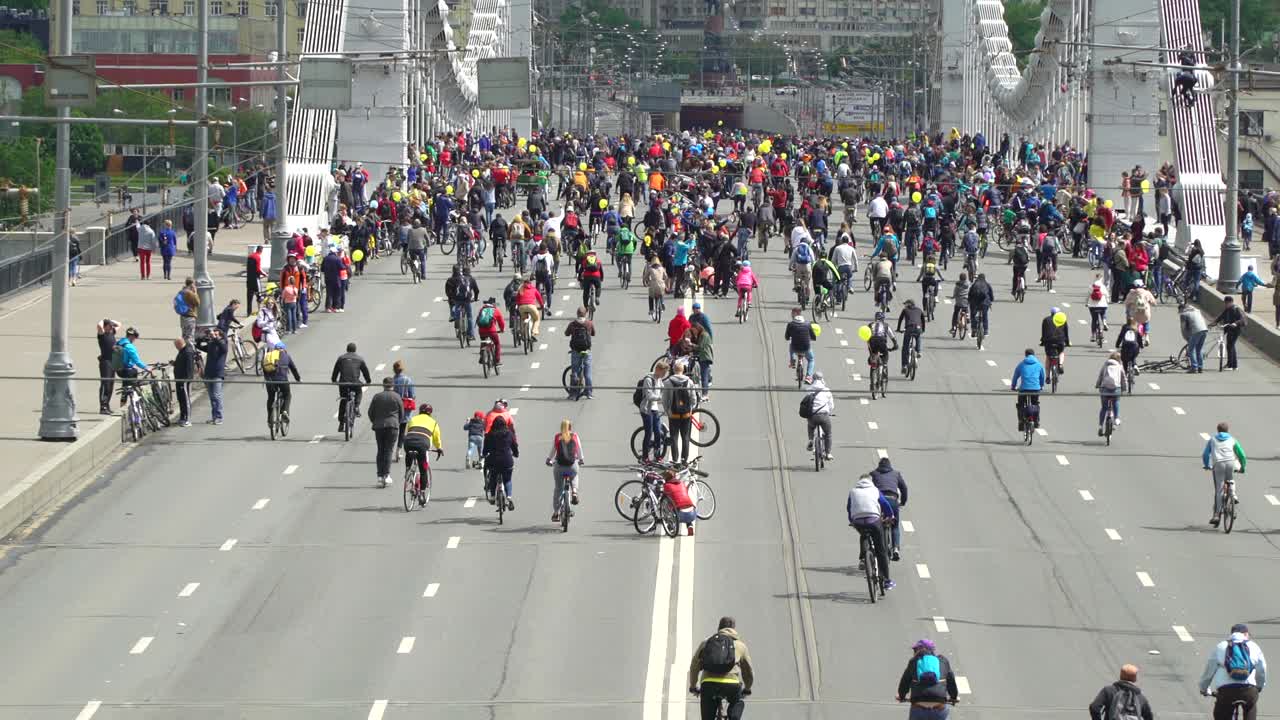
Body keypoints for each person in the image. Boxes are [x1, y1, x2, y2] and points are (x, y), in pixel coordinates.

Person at [688, 617, 754, 720]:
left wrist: (693, 686)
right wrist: (747, 688)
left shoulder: (707, 642)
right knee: (737, 701)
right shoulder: (741, 646)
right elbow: (748, 671)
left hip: (708, 684)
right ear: (734, 628)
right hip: (731, 685)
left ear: (719, 628)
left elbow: (694, 665)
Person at [1199, 623, 1267, 720]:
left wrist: (1204, 688)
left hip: (1226, 691)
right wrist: (1259, 686)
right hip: (1248, 690)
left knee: (1221, 714)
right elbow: (1262, 670)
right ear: (1246, 634)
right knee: (1250, 706)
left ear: (1232, 634)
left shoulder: (1221, 646)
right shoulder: (1254, 646)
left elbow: (1209, 671)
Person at [848, 475, 896, 592]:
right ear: (871, 481)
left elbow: (849, 508)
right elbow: (885, 504)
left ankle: (863, 558)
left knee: (863, 533)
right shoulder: (875, 490)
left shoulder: (853, 491)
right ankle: (886, 580)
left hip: (858, 520)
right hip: (874, 520)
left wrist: (852, 520)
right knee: (881, 551)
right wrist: (890, 516)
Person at [897, 638, 960, 719]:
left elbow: (904, 683)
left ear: (919, 650)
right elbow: (951, 682)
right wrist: (953, 697)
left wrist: (901, 696)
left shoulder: (913, 661)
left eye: (915, 650)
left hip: (918, 707)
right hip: (939, 706)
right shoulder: (943, 661)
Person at [1203, 422, 1247, 527]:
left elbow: (1205, 454)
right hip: (1230, 463)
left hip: (1218, 464)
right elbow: (1242, 455)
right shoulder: (1232, 440)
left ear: (1217, 430)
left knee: (1219, 490)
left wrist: (1206, 465)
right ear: (1228, 430)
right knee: (1230, 479)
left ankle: (1217, 514)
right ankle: (1233, 495)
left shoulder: (1212, 440)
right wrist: (1243, 467)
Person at [869, 456, 908, 560]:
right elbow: (904, 488)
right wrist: (903, 502)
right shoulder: (896, 474)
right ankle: (895, 548)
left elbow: (869, 489)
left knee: (876, 524)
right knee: (894, 525)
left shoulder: (873, 474)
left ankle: (875, 546)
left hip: (879, 500)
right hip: (893, 500)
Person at [545, 418, 584, 522]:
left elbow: (553, 451)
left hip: (559, 466)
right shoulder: (575, 436)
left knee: (558, 489)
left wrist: (549, 460)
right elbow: (579, 450)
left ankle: (556, 513)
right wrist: (581, 460)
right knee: (574, 476)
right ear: (570, 427)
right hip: (572, 465)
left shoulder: (558, 437)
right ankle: (574, 492)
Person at [663, 359, 699, 465]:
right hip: (686, 414)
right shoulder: (689, 381)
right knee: (686, 437)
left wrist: (668, 411)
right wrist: (690, 409)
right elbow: (693, 399)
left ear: (673, 370)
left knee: (674, 437)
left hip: (673, 414)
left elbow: (665, 400)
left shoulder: (667, 382)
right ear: (683, 370)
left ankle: (675, 459)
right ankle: (684, 460)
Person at [1089, 664, 1155, 720]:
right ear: (1135, 679)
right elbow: (1149, 717)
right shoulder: (1140, 697)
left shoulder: (1108, 690)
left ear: (1121, 675)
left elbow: (1094, 707)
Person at [331, 342, 371, 433]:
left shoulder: (341, 358)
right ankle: (356, 406)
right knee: (359, 392)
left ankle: (341, 423)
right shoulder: (360, 359)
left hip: (343, 383)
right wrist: (368, 381)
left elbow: (336, 370)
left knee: (343, 399)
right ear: (355, 350)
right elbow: (365, 371)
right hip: (355, 382)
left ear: (347, 349)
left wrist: (334, 380)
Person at [402, 405, 444, 489]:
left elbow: (408, 431)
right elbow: (436, 438)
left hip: (408, 441)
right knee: (423, 470)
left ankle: (408, 470)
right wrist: (439, 448)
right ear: (430, 413)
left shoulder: (413, 419)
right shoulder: (433, 422)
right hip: (423, 444)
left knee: (409, 452)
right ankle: (422, 493)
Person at [262, 339, 300, 428]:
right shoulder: (286, 356)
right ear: (283, 349)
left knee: (270, 398)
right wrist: (298, 379)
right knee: (287, 395)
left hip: (270, 381)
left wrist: (267, 378)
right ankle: (284, 411)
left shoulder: (268, 356)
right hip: (282, 380)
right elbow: (293, 368)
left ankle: (269, 420)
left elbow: (263, 367)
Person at [195, 327, 227, 424]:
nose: (214, 336)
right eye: (214, 334)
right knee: (212, 397)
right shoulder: (211, 344)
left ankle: (219, 417)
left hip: (218, 374)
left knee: (217, 395)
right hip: (208, 373)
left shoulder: (223, 344)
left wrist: (215, 337)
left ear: (221, 336)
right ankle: (214, 417)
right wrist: (201, 338)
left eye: (217, 334)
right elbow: (200, 346)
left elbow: (223, 348)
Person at [1010, 348, 1045, 431]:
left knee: (1020, 404)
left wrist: (1013, 386)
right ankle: (1036, 421)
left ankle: (1021, 422)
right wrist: (1041, 385)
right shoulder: (1039, 364)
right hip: (1035, 389)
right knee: (1035, 404)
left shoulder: (1021, 364)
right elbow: (1042, 377)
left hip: (1024, 389)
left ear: (1025, 355)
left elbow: (1015, 376)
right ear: (1034, 355)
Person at [565, 308, 596, 399]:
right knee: (588, 372)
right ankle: (589, 392)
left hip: (576, 350)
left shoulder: (573, 324)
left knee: (575, 371)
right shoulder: (589, 323)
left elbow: (566, 333)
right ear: (585, 314)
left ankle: (573, 394)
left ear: (577, 313)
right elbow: (593, 333)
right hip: (586, 351)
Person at [804, 371, 835, 460]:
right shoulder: (827, 390)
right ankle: (828, 453)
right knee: (828, 434)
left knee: (810, 426)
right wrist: (829, 411)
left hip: (812, 416)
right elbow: (831, 406)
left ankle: (810, 440)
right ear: (822, 379)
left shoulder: (809, 389)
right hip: (824, 416)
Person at [1211, 296, 1246, 370]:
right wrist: (1213, 323)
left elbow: (1243, 319)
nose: (1226, 305)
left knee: (1230, 346)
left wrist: (1235, 323)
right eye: (1225, 303)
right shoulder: (1227, 309)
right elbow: (1221, 316)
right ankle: (1233, 365)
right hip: (1229, 329)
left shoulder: (1236, 309)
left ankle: (1230, 365)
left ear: (1230, 302)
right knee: (1230, 346)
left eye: (1227, 303)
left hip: (1235, 330)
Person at [1095, 351, 1125, 435]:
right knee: (1116, 401)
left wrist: (1097, 385)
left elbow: (1100, 376)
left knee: (1104, 408)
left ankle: (1100, 426)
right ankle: (1116, 418)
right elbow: (1123, 378)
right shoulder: (1119, 366)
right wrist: (1124, 388)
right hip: (1116, 389)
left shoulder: (1105, 365)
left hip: (1104, 389)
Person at [391, 360, 416, 461]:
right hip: (405, 408)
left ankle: (390, 449)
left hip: (393, 408)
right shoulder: (407, 380)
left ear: (394, 369)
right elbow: (412, 395)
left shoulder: (391, 380)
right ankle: (398, 451)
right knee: (402, 431)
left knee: (393, 430)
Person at [785, 307, 818, 380]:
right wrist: (812, 338)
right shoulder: (808, 324)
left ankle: (792, 361)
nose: (791, 314)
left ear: (795, 314)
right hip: (806, 348)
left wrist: (790, 336)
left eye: (792, 313)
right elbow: (813, 336)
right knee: (811, 359)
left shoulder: (790, 324)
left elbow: (787, 337)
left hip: (795, 347)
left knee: (791, 345)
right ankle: (808, 376)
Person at [663, 469, 698, 536]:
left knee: (666, 506)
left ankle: (671, 526)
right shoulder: (681, 483)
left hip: (679, 515)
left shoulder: (667, 485)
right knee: (685, 503)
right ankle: (689, 525)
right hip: (692, 513)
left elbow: (664, 499)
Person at [172, 337, 198, 427]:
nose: (176, 347)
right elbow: (181, 363)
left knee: (185, 399)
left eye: (176, 345)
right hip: (179, 379)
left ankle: (187, 419)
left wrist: (187, 379)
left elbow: (189, 367)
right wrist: (174, 363)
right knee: (181, 399)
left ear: (179, 344)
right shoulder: (182, 351)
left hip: (184, 380)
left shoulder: (188, 352)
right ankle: (182, 417)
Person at [96, 318, 121, 414]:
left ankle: (107, 405)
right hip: (105, 361)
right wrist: (103, 320)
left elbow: (119, 324)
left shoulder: (112, 333)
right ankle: (103, 407)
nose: (111, 327)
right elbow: (98, 325)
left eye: (111, 326)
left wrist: (111, 321)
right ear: (105, 326)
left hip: (113, 361)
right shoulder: (102, 335)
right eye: (109, 326)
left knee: (111, 384)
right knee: (105, 384)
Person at [896, 299, 925, 374]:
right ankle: (918, 351)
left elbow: (900, 319)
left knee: (905, 348)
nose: (905, 305)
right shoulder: (919, 310)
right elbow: (923, 320)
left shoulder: (905, 310)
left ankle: (904, 366)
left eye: (906, 304)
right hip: (918, 328)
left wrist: (898, 329)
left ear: (909, 304)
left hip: (909, 328)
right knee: (918, 337)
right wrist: (923, 329)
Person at [475, 297, 506, 366]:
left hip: (481, 331)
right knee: (497, 343)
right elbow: (501, 322)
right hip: (492, 331)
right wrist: (502, 329)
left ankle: (482, 356)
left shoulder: (482, 309)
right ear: (493, 304)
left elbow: (478, 320)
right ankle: (497, 361)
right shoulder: (496, 310)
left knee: (483, 342)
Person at [1180, 303, 1209, 373]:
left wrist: (1186, 338)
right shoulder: (1196, 311)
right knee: (1199, 349)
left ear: (1181, 309)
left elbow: (1183, 328)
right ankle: (1200, 367)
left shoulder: (1183, 314)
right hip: (1204, 330)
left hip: (1196, 331)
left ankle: (1194, 367)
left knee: (1191, 350)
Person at [1040, 306, 1070, 372]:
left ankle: (1047, 376)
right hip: (1060, 341)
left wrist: (1042, 341)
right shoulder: (1062, 319)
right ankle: (1060, 364)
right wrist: (1067, 342)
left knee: (1048, 356)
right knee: (1061, 352)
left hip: (1048, 341)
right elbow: (1066, 331)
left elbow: (1043, 331)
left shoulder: (1046, 319)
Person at [967, 273, 994, 338]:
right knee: (985, 315)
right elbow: (991, 295)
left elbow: (970, 294)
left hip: (975, 303)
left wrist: (969, 301)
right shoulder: (987, 284)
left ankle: (973, 329)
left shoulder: (974, 284)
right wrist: (991, 301)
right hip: (985, 303)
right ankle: (985, 331)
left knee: (973, 315)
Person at [176, 277, 200, 342]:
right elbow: (197, 303)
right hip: (190, 316)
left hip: (183, 316)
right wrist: (195, 292)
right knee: (190, 337)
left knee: (184, 335)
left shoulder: (181, 291)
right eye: (194, 284)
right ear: (191, 284)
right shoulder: (189, 293)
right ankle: (189, 351)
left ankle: (184, 350)